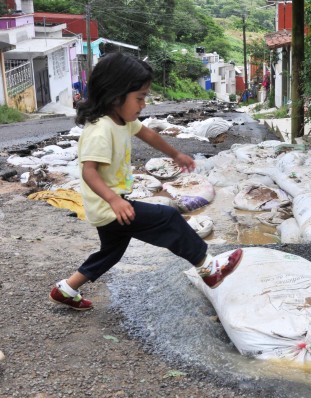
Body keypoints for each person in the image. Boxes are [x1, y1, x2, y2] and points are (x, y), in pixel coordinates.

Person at [49, 53, 243, 311]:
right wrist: (114, 200)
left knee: (111, 252)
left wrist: (175, 154)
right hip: (110, 206)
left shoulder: (122, 120)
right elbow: (89, 172)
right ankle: (208, 268)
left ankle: (66, 289)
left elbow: (148, 133)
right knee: (168, 218)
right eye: (139, 98)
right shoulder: (100, 129)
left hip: (112, 205)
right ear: (115, 95)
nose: (143, 105)